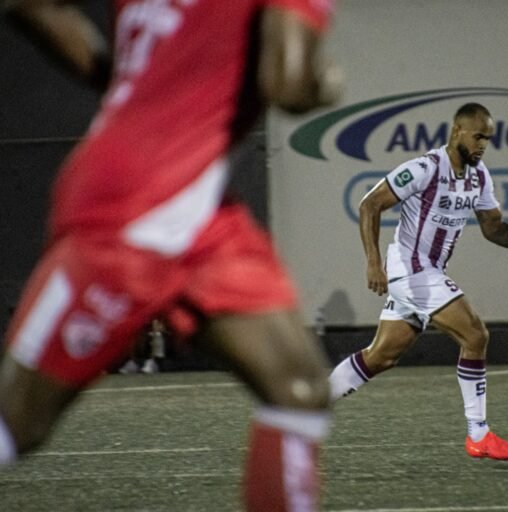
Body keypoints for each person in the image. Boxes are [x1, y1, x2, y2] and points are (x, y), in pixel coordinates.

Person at [0, 1, 341, 510]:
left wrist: (127, 88)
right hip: (135, 211)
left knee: (299, 388)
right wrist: (325, 83)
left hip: (198, 218)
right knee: (16, 423)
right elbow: (288, 85)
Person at [329, 103, 508, 461]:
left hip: (425, 273)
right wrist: (373, 263)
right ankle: (479, 435)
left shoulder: (479, 177)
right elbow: (370, 205)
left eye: (487, 139)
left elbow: (491, 226)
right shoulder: (426, 168)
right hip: (410, 270)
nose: (482, 145)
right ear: (457, 131)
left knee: (380, 357)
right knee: (475, 334)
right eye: (478, 137)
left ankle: (307, 404)